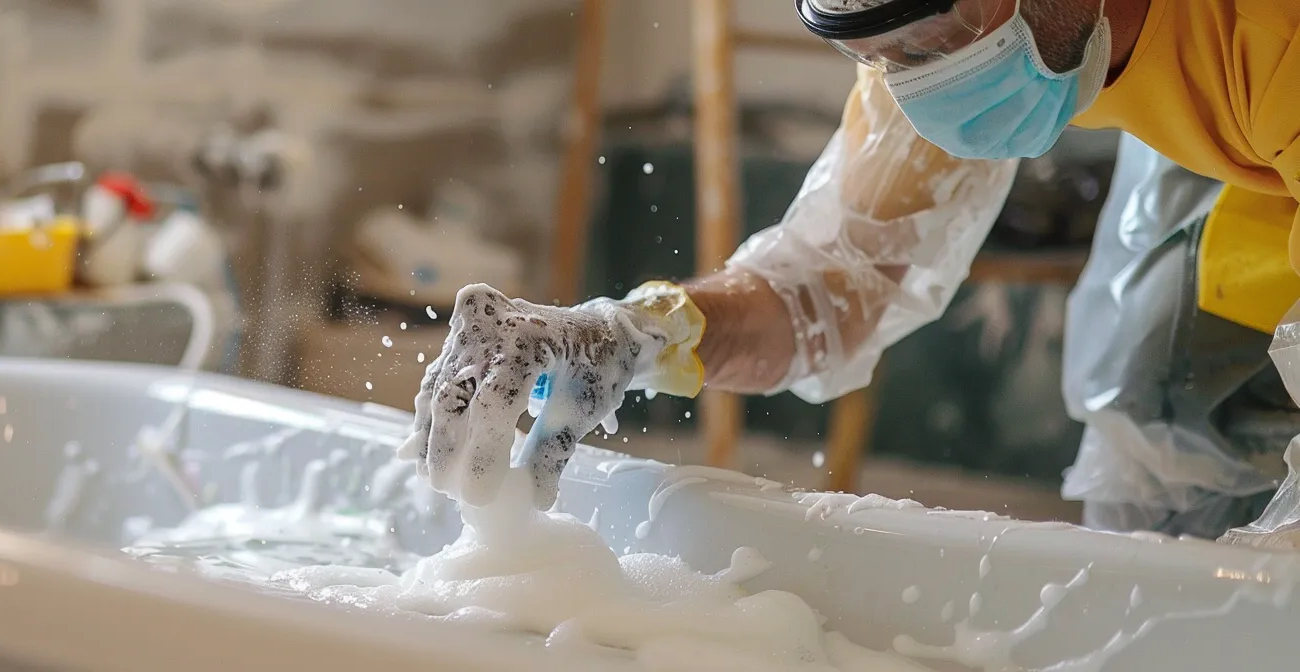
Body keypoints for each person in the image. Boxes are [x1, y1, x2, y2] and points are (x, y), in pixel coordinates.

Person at [400, 0, 1300, 540]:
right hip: (1241, 128)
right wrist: (631, 334)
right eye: (881, 57)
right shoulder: (952, 34)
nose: (918, 82)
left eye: (933, 41)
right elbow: (836, 280)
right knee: (1154, 394)